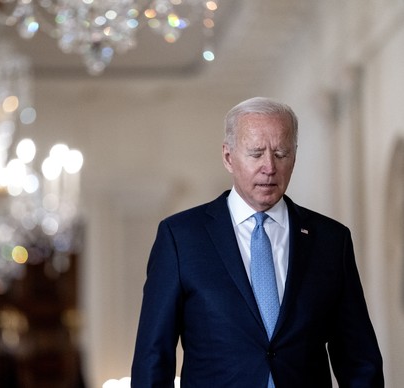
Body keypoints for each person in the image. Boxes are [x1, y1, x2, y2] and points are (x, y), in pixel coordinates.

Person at [130, 97, 384, 387]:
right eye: (256, 153)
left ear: (295, 156)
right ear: (228, 157)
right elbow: (153, 359)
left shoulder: (331, 240)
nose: (269, 167)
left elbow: (359, 360)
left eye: (280, 153)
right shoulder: (180, 238)